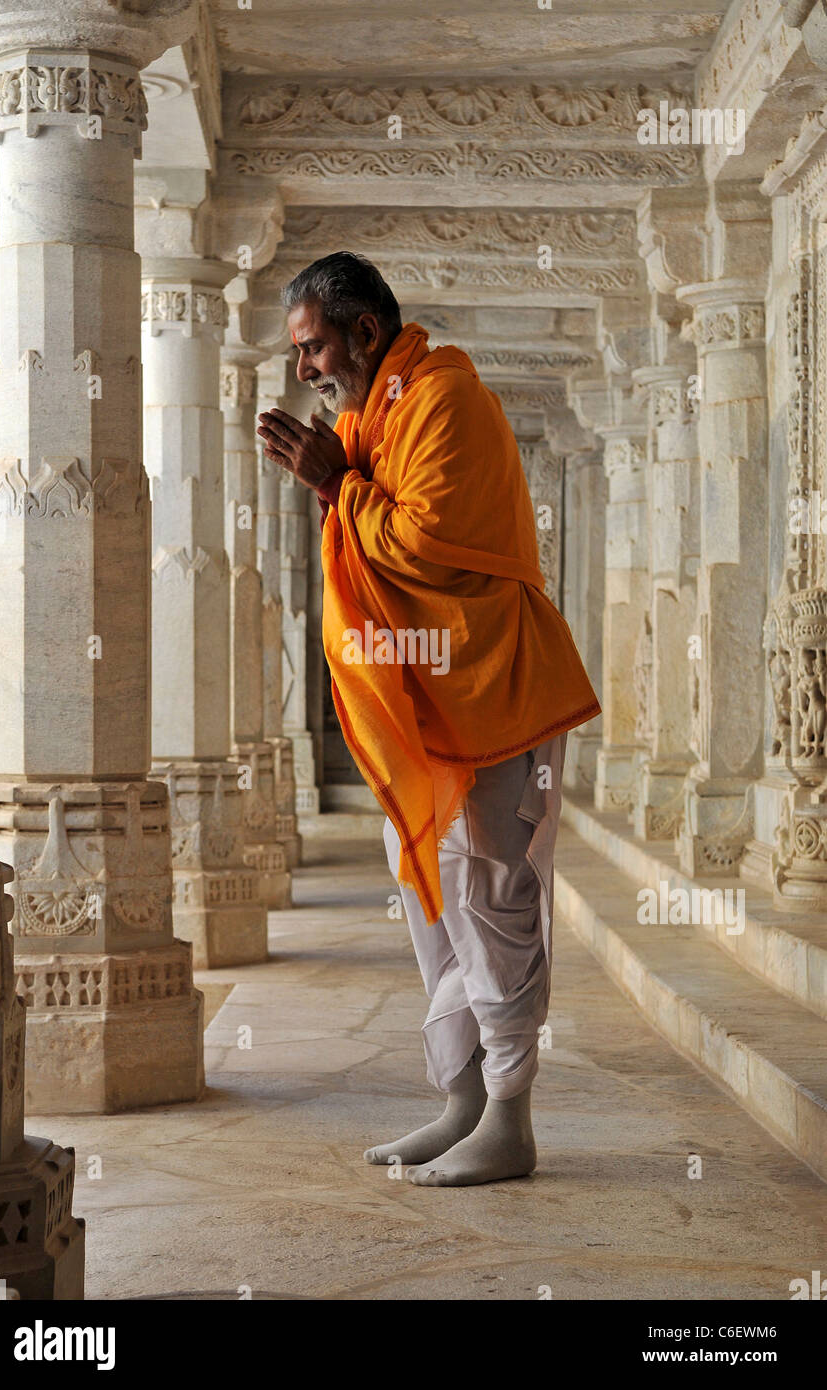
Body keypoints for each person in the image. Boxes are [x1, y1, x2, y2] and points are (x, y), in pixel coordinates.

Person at [257, 251, 600, 1186]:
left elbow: (424, 548)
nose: (306, 371)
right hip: (435, 705)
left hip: (496, 691)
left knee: (493, 894)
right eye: (299, 353)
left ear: (366, 331)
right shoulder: (381, 415)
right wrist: (342, 475)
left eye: (314, 346)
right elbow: (382, 530)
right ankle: (463, 1100)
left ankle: (513, 1119)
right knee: (429, 889)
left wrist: (337, 484)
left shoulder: (448, 400)